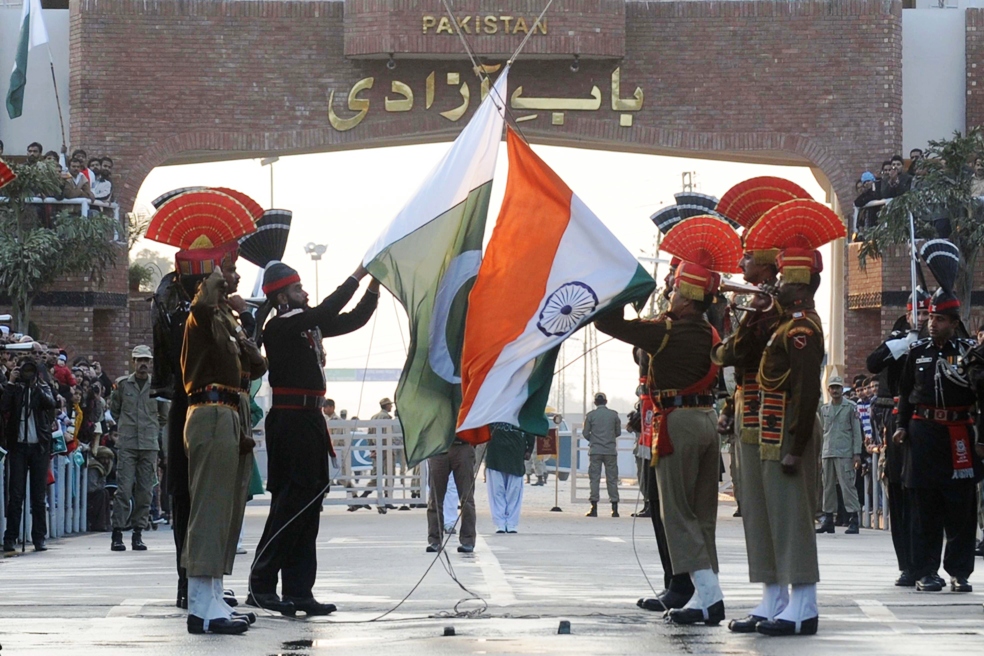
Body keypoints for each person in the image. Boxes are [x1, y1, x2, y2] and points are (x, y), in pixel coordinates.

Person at [596, 216, 739, 626]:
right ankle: (704, 591)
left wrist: (626, 291)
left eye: (675, 289)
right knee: (701, 513)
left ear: (688, 296)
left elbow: (610, 324)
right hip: (705, 420)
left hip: (675, 423)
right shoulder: (709, 331)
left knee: (676, 512)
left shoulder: (668, 331)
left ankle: (708, 597)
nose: (670, 293)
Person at [736, 197, 844, 637]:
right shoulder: (782, 324)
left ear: (798, 285)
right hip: (768, 431)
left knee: (791, 521)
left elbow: (802, 396)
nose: (775, 284)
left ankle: (803, 605)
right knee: (765, 518)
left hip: (788, 434)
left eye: (782, 278)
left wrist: (796, 448)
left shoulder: (802, 330)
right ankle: (774, 597)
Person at [249, 262, 378, 616]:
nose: (305, 293)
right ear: (281, 297)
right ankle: (260, 583)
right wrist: (357, 274)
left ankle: (299, 589)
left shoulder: (306, 327)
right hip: (290, 421)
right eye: (297, 289)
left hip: (309, 420)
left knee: (309, 505)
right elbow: (327, 309)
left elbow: (352, 319)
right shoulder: (281, 326)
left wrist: (373, 287)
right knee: (290, 504)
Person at [711, 243, 784, 634]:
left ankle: (788, 599)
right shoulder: (759, 302)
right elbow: (740, 372)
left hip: (768, 415)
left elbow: (733, 354)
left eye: (748, 257)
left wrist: (727, 339)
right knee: (755, 510)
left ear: (767, 264)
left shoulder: (769, 304)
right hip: (749, 408)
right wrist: (727, 411)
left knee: (773, 512)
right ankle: (772, 597)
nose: (740, 264)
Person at [895, 276, 983, 594]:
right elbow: (905, 394)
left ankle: (960, 571)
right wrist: (902, 426)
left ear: (954, 322)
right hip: (924, 434)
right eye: (931, 317)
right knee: (924, 506)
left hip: (958, 433)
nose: (932, 324)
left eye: (939, 319)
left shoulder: (970, 353)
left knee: (960, 507)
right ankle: (926, 571)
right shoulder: (917, 352)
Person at [108, 345, 168, 551]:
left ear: (151, 363)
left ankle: (138, 532)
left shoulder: (156, 386)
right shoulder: (123, 385)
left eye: (146, 360)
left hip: (149, 445)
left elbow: (164, 415)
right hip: (128, 444)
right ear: (133, 361)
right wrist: (125, 427)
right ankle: (117, 533)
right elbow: (114, 409)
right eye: (139, 360)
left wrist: (152, 429)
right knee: (123, 490)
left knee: (145, 491)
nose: (143, 364)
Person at [1, 358, 56, 553]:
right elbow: (3, 407)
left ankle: (39, 537)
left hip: (38, 447)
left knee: (38, 496)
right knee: (16, 495)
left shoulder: (43, 388)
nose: (28, 374)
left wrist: (37, 387)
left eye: (31, 371)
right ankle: (10, 537)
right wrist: (10, 382)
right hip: (18, 447)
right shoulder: (15, 390)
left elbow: (51, 403)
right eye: (25, 371)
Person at [816, 376, 863, 535]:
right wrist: (819, 455)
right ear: (828, 390)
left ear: (842, 389)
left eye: (838, 387)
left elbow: (857, 432)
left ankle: (854, 519)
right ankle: (828, 519)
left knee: (847, 486)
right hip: (828, 451)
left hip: (845, 452)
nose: (835, 390)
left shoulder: (850, 407)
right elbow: (823, 433)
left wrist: (857, 453)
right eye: (832, 387)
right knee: (827, 486)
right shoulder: (824, 409)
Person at [426, 437, 477, 553]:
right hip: (438, 446)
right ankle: (435, 540)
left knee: (466, 498)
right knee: (434, 498)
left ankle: (468, 540)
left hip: (463, 445)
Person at [485, 423, 534, 534]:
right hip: (495, 457)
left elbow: (531, 427)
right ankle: (500, 523)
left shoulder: (523, 411)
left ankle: (512, 523)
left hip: (516, 456)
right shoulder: (493, 409)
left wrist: (529, 449)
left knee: (514, 491)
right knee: (497, 491)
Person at [582, 392, 621, 518]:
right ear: (606, 401)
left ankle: (594, 507)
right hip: (610, 450)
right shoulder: (613, 415)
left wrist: (594, 440)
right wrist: (608, 439)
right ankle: (614, 508)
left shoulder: (591, 415)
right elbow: (618, 432)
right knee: (612, 479)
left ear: (595, 402)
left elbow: (585, 433)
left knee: (594, 478)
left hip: (595, 451)